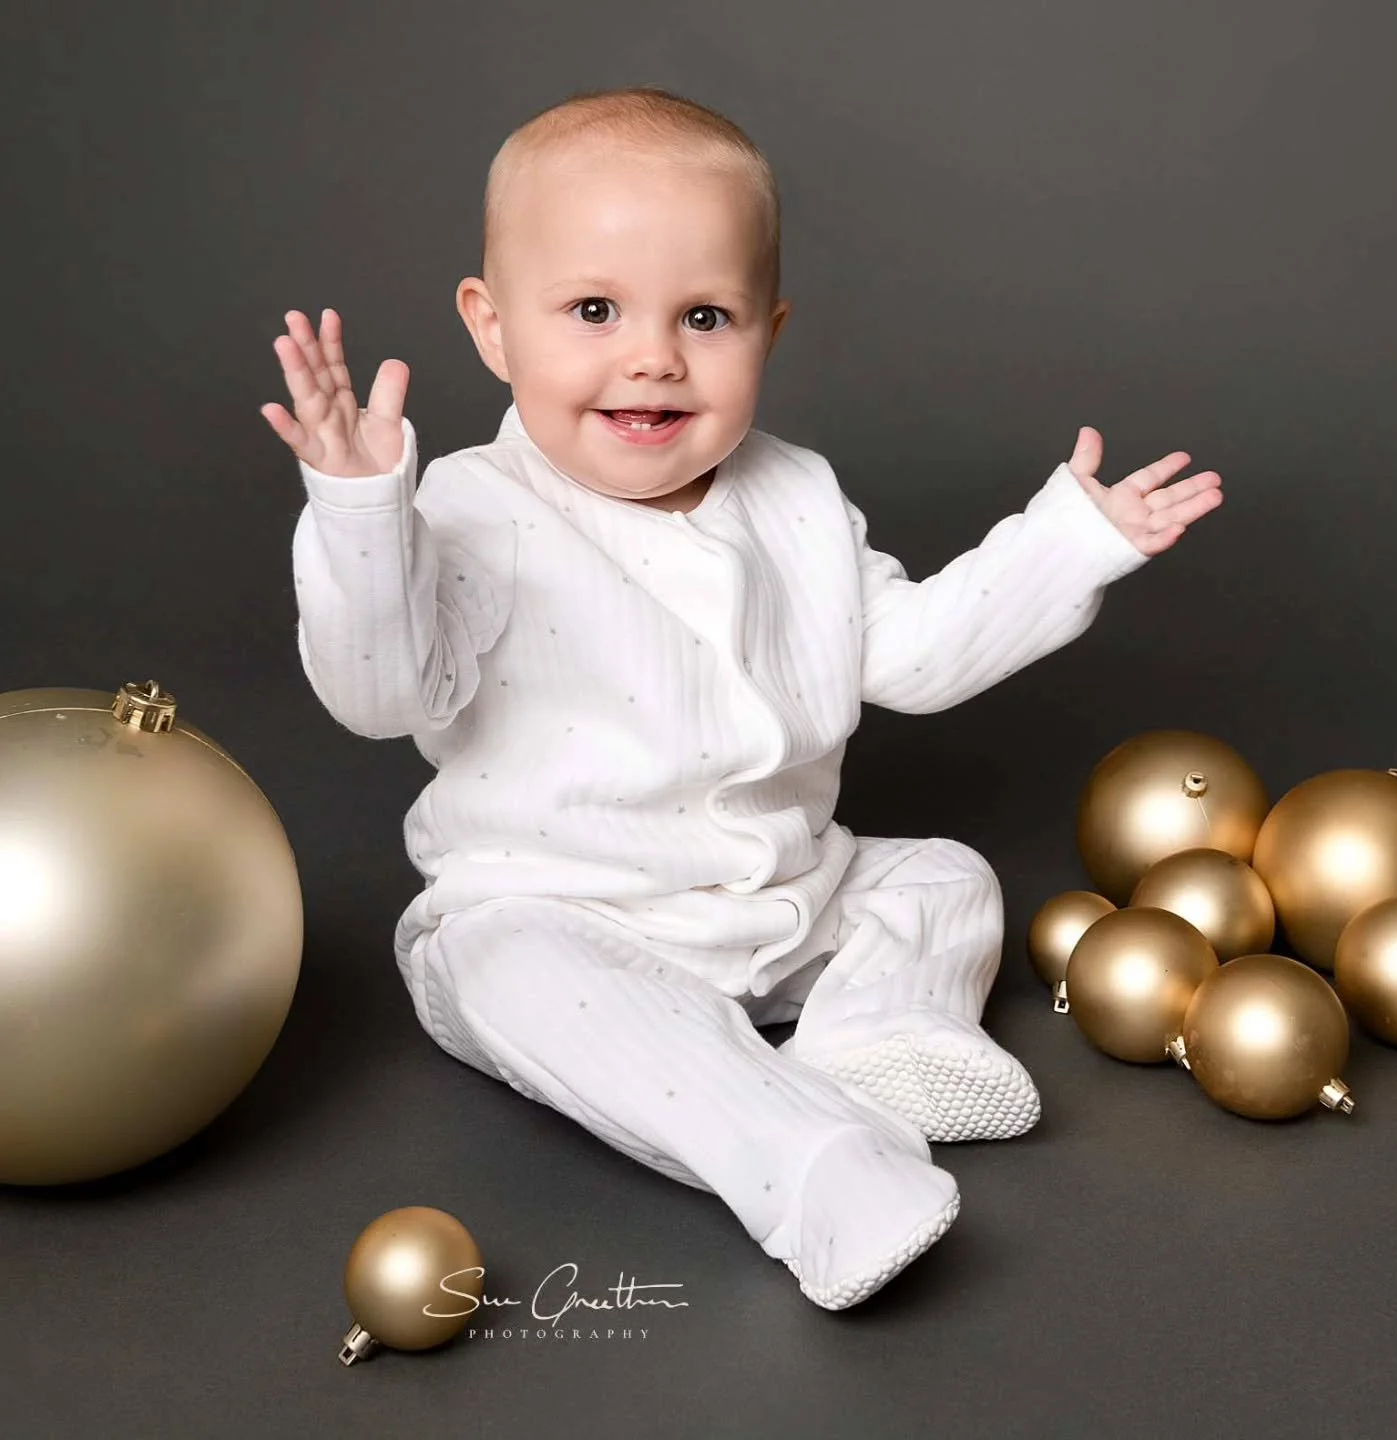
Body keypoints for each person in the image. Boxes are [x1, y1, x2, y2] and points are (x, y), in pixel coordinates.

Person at [261, 86, 1223, 1311]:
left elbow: (915, 656)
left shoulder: (797, 497)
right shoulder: (466, 510)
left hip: (785, 902)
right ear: (492, 328)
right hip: (563, 912)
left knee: (942, 879)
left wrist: (1068, 546)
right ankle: (811, 1168)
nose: (653, 357)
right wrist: (360, 511)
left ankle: (875, 1039)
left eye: (705, 317)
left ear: (769, 330)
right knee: (513, 975)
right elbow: (377, 690)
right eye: (595, 310)